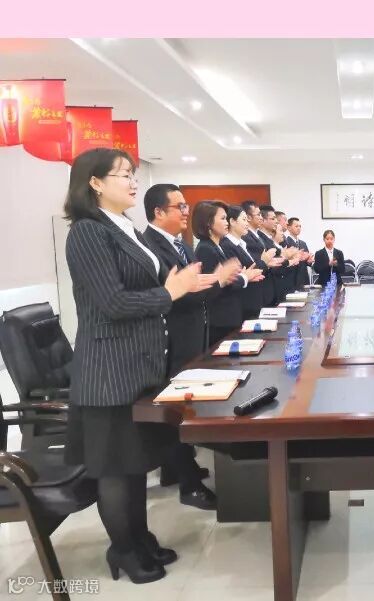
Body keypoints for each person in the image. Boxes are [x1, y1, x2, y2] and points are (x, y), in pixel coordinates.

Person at [64, 148, 215, 583]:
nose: (134, 182)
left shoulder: (125, 228)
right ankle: (123, 550)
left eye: (133, 174)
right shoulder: (88, 232)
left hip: (140, 364)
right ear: (95, 182)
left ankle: (141, 539)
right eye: (124, 175)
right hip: (109, 369)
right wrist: (171, 292)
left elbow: (153, 287)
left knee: (134, 463)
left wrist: (178, 286)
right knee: (115, 470)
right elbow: (112, 303)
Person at [142, 184, 241, 510]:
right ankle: (189, 485)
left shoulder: (181, 245)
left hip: (193, 334)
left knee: (182, 407)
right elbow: (172, 295)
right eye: (179, 207)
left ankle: (176, 469)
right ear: (158, 212)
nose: (186, 212)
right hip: (173, 339)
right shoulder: (149, 245)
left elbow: (196, 292)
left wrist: (217, 280)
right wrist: (218, 279)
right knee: (175, 411)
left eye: (186, 206)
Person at [193, 201, 261, 346]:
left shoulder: (216, 246)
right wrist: (244, 277)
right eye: (223, 218)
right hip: (220, 320)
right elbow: (217, 285)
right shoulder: (206, 249)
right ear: (208, 223)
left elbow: (226, 279)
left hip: (229, 316)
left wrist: (240, 275)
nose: (226, 223)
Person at [223, 205, 266, 319]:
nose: (247, 223)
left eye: (247, 220)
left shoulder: (242, 244)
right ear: (232, 221)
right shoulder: (227, 245)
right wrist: (264, 261)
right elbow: (241, 274)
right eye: (244, 219)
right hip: (243, 305)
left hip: (253, 301)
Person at [242, 202, 282, 307]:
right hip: (256, 290)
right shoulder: (246, 237)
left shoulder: (257, 236)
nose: (261, 218)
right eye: (258, 215)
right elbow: (254, 263)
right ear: (248, 217)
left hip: (266, 288)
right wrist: (266, 262)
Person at [286, 217, 313, 288]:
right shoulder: (286, 242)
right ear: (289, 228)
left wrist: (309, 261)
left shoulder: (303, 243)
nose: (299, 228)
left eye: (300, 226)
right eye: (296, 226)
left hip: (304, 278)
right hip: (291, 278)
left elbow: (307, 262)